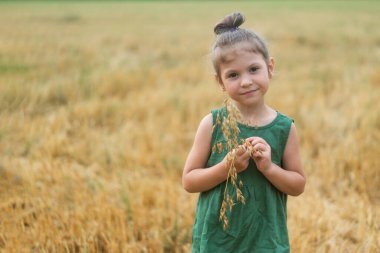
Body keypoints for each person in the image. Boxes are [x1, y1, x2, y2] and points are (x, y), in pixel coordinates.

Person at [182, 12, 306, 252]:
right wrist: (226, 167)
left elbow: (298, 185)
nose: (246, 81)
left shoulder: (284, 128)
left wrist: (269, 168)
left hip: (266, 242)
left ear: (270, 67)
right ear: (220, 82)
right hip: (217, 242)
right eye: (233, 75)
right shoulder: (212, 124)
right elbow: (189, 181)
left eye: (253, 69)